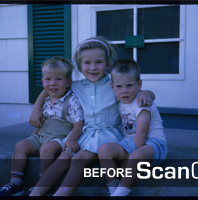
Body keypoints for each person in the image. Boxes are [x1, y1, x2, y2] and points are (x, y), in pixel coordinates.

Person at [28, 37, 155, 196]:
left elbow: (138, 90)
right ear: (80, 66)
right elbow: (50, 88)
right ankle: (36, 194)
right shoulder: (76, 86)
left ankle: (60, 194)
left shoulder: (115, 85)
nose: (92, 68)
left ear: (107, 64)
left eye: (98, 62)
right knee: (64, 156)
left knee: (78, 159)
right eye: (87, 63)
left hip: (107, 136)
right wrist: (36, 107)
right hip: (84, 134)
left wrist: (145, 93)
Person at [0, 57, 84, 196]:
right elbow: (41, 123)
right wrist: (33, 136)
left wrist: (71, 140)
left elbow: (78, 123)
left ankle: (44, 182)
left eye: (58, 79)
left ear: (68, 83)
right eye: (48, 79)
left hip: (59, 138)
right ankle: (15, 183)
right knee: (20, 145)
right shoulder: (45, 99)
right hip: (42, 135)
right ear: (42, 82)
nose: (53, 84)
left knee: (46, 149)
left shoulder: (71, 100)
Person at [98, 59, 167, 196]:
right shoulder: (120, 101)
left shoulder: (142, 102)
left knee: (136, 156)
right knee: (103, 150)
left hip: (153, 144)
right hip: (130, 142)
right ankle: (113, 189)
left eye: (129, 85)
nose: (124, 91)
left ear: (139, 84)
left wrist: (128, 157)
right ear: (112, 87)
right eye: (119, 86)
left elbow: (142, 131)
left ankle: (119, 195)